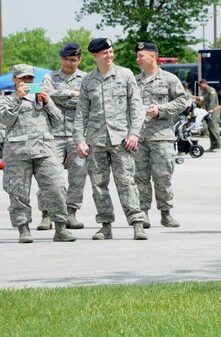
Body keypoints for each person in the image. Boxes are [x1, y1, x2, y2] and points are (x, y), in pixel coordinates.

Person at [74, 38, 149, 241]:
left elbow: (136, 106)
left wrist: (134, 133)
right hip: (95, 140)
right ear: (95, 55)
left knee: (127, 183)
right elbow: (81, 113)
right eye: (105, 53)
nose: (110, 55)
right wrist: (79, 140)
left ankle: (137, 223)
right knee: (99, 185)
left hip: (121, 139)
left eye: (111, 51)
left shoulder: (125, 75)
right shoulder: (88, 80)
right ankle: (105, 225)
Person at [0, 64, 76, 243]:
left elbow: (58, 121)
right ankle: (23, 229)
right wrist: (18, 99)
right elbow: (5, 120)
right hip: (18, 152)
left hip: (44, 149)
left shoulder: (41, 98)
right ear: (14, 80)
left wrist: (48, 102)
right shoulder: (7, 99)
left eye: (29, 78)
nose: (27, 82)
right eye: (23, 78)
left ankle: (60, 228)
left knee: (56, 188)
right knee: (18, 193)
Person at [134, 42, 191, 228]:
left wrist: (161, 109)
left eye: (141, 56)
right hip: (139, 136)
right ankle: (143, 213)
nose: (138, 59)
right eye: (137, 56)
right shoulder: (134, 81)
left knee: (163, 175)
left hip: (162, 135)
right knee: (140, 176)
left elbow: (183, 101)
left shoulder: (169, 79)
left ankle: (166, 212)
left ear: (153, 57)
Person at [39, 43, 89, 230]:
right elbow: (46, 96)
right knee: (49, 175)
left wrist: (61, 98)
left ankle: (71, 213)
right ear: (61, 59)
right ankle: (47, 214)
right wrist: (70, 93)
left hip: (78, 135)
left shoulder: (86, 78)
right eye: (66, 59)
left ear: (79, 60)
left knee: (78, 176)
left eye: (73, 60)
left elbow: (86, 101)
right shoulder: (50, 77)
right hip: (54, 134)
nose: (69, 63)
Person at [198, 79, 221, 152]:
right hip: (208, 113)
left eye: (200, 85)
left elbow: (211, 104)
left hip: (213, 112)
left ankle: (217, 145)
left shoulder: (211, 91)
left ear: (205, 84)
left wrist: (208, 113)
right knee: (210, 129)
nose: (200, 87)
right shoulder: (205, 92)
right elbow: (204, 101)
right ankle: (212, 146)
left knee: (214, 128)